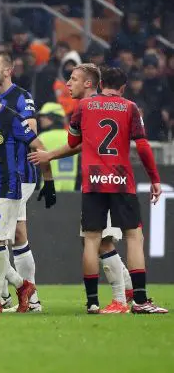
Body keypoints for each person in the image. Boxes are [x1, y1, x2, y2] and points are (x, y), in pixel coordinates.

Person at [28, 64, 135, 309]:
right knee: (96, 240)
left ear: (89, 83)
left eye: (73, 79)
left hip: (103, 182)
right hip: (103, 181)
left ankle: (121, 297)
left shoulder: (91, 107)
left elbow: (79, 144)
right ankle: (127, 289)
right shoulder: (94, 106)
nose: (68, 84)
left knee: (98, 240)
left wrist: (50, 155)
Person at [67, 66, 167, 314]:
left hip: (93, 181)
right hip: (122, 180)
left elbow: (72, 142)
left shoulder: (83, 107)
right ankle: (141, 301)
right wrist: (154, 179)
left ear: (99, 85)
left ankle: (92, 301)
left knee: (91, 239)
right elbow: (142, 147)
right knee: (134, 237)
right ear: (123, 87)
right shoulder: (130, 107)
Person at [0, 72, 54, 313]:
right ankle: (22, 285)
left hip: (6, 188)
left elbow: (39, 146)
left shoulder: (11, 118)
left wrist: (48, 179)